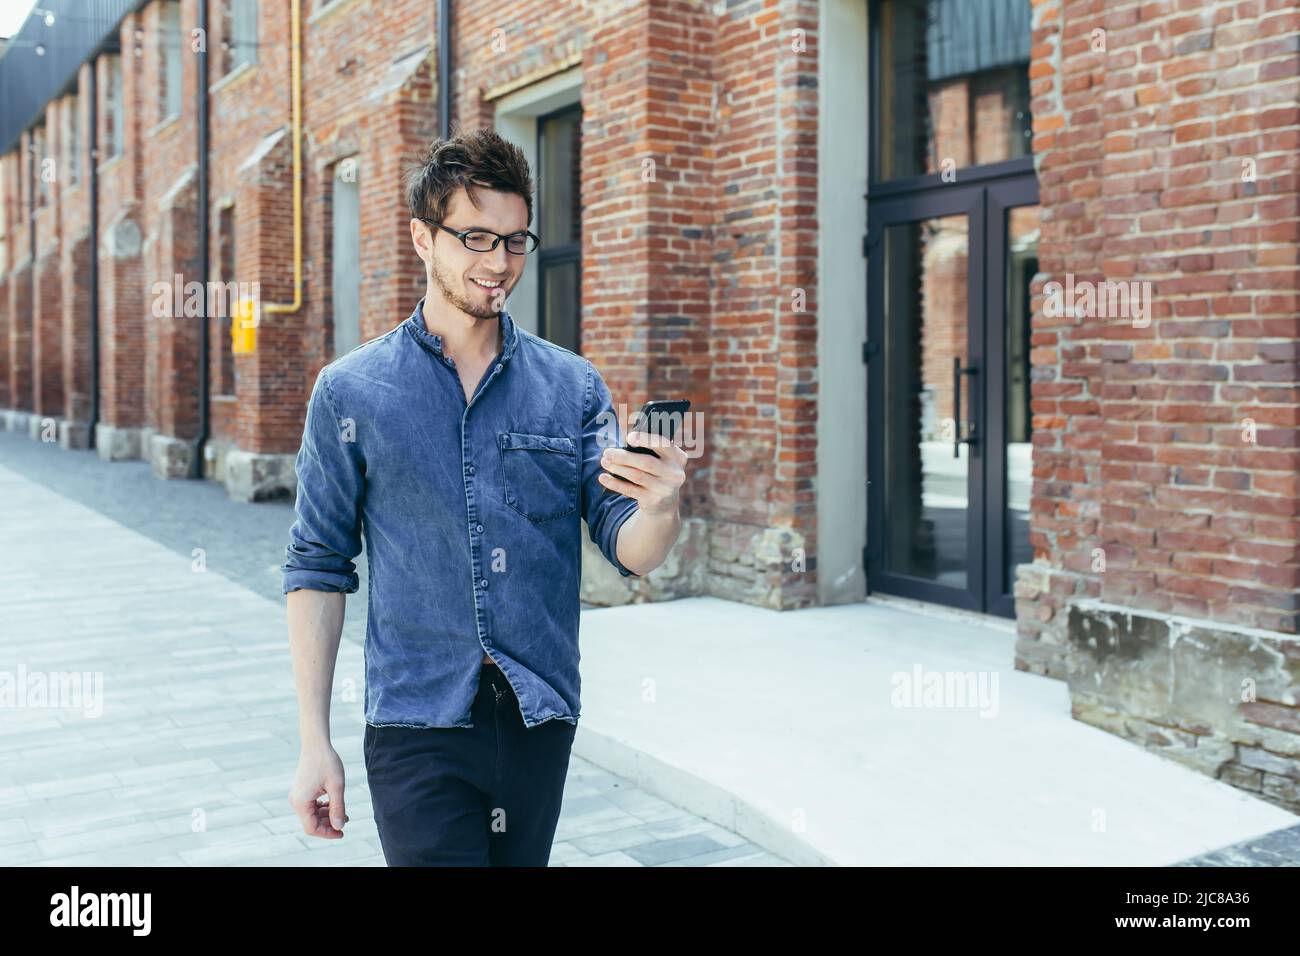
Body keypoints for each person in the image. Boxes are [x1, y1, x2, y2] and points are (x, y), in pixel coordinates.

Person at [282, 126, 688, 866]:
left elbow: (629, 548)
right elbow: (316, 565)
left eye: (513, 240)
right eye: (474, 238)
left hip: (537, 717)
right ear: (421, 238)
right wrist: (315, 741)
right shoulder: (352, 392)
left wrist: (660, 508)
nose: (498, 263)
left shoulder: (573, 388)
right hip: (417, 721)